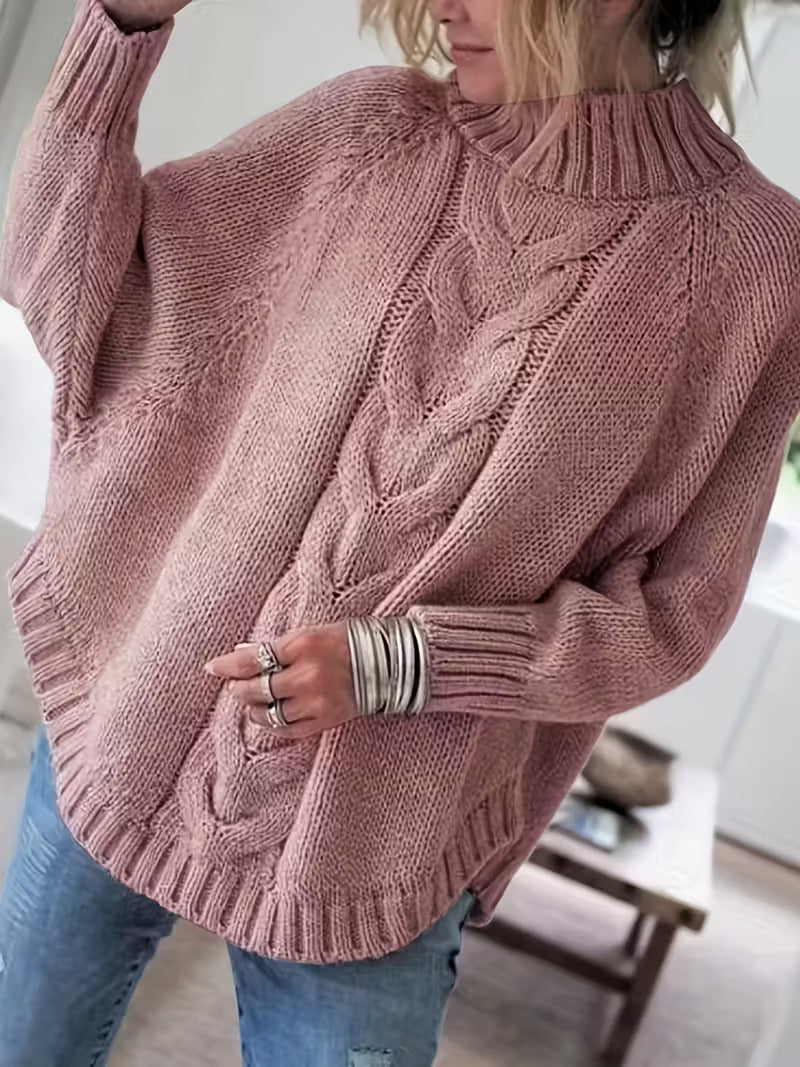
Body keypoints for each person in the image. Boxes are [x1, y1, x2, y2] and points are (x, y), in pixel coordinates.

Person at [0, 0, 799, 1062]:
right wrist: (120, 28)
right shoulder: (367, 129)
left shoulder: (753, 266)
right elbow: (75, 291)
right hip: (132, 729)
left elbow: (669, 612)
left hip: (380, 851)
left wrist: (401, 662)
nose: (438, 3)